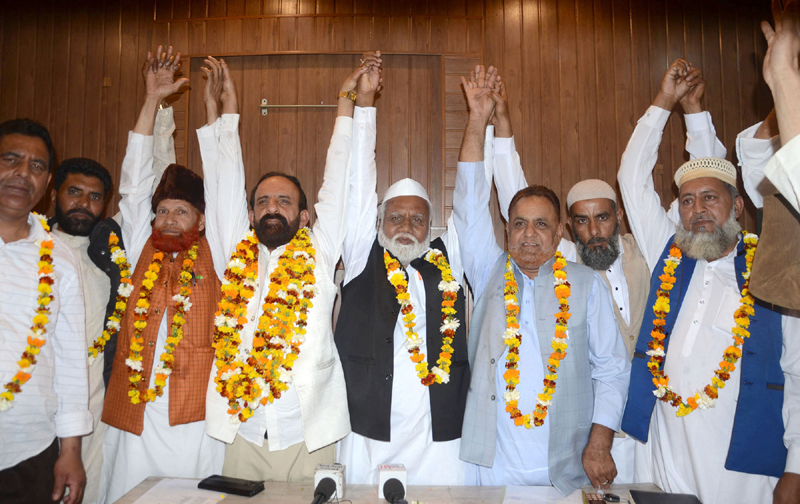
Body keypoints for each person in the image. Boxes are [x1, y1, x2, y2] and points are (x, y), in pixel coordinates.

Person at [618, 50, 800, 504]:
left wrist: (796, 470)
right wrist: (667, 102)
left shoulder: (772, 268)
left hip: (744, 467)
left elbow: (797, 374)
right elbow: (632, 177)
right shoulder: (670, 252)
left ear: (738, 207)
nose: (697, 210)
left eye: (710, 201)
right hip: (667, 456)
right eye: (686, 201)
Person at [454, 66, 630, 495]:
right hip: (491, 466)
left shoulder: (586, 284)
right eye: (518, 224)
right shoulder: (487, 268)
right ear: (507, 230)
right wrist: (478, 120)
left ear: (558, 234)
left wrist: (600, 442)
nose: (529, 235)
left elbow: (611, 369)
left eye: (540, 225)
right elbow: (470, 200)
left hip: (565, 466)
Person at [200, 54, 353, 483]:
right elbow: (223, 182)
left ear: (304, 218)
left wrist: (346, 102)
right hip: (243, 430)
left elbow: (338, 178)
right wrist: (227, 112)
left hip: (310, 434)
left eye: (284, 201)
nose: (272, 208)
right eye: (263, 202)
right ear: (251, 216)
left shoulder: (319, 252)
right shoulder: (235, 253)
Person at [46, 49, 180, 504]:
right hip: (28, 400)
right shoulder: (28, 250)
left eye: (94, 197)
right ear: (54, 197)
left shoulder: (114, 250)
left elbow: (146, 181)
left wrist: (157, 107)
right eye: (74, 193)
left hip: (95, 404)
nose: (83, 204)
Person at [98, 47, 225, 503]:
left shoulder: (222, 251)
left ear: (202, 220)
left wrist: (214, 111)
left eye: (181, 211)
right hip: (136, 416)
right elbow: (133, 184)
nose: (169, 220)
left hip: (197, 420)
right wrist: (151, 100)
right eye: (163, 212)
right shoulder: (139, 246)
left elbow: (227, 182)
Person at [0, 118, 92, 504]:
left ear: (47, 181)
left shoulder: (60, 259)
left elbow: (71, 360)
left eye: (36, 166)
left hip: (30, 449)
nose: (23, 174)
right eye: (11, 159)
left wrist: (70, 450)